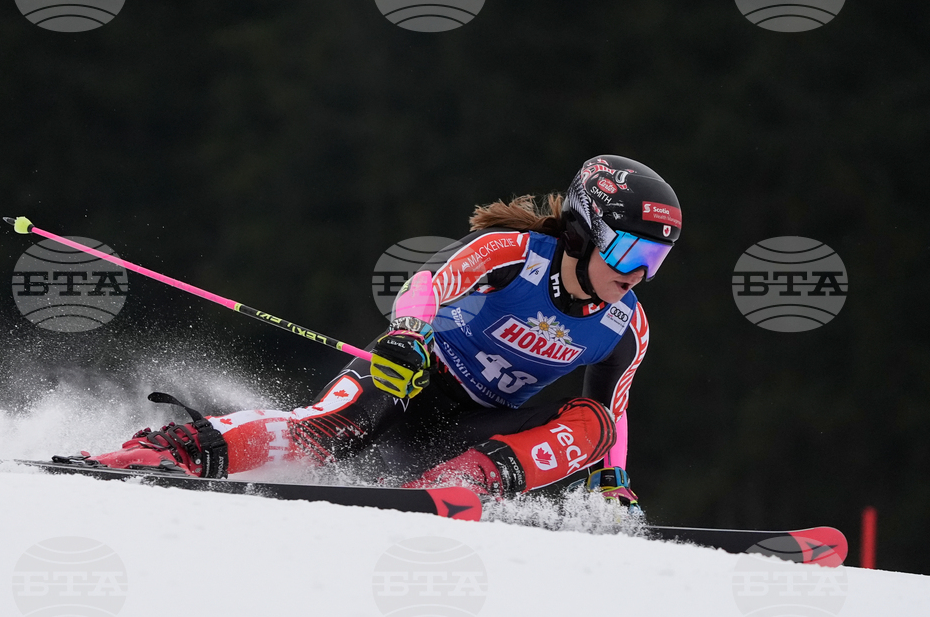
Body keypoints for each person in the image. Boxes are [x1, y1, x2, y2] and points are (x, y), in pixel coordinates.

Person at [83, 155, 682, 509]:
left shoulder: (625, 325)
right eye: (629, 252)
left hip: (475, 431)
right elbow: (429, 283)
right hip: (409, 376)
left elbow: (613, 411)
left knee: (595, 425)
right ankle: (174, 452)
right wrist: (408, 335)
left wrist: (614, 484)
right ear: (581, 232)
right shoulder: (512, 252)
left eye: (654, 262)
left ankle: (452, 489)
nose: (638, 275)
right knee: (326, 431)